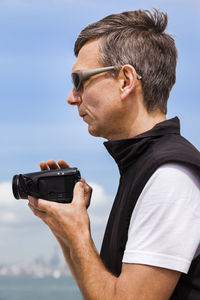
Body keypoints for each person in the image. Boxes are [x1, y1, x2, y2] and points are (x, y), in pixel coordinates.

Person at [28, 9, 200, 300]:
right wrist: (64, 229)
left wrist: (78, 234)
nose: (73, 97)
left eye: (79, 80)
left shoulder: (169, 176)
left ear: (125, 81)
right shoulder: (145, 166)